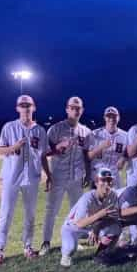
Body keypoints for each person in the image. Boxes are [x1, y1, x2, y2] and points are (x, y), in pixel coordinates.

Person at [0, 95, 52, 265]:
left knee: (30, 214)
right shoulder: (9, 127)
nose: (25, 107)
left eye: (28, 104)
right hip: (11, 176)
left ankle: (27, 246)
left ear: (34, 107)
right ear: (17, 108)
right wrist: (14, 148)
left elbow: (42, 156)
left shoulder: (40, 130)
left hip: (32, 177)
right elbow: (0, 150)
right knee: (6, 213)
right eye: (22, 105)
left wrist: (48, 175)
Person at [40, 96, 92, 255]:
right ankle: (46, 242)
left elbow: (86, 155)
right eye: (73, 107)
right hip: (58, 176)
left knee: (77, 210)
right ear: (67, 109)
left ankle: (74, 239)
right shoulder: (55, 129)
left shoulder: (86, 131)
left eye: (78, 108)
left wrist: (88, 174)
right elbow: (44, 153)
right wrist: (57, 148)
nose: (76, 110)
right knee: (52, 209)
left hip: (76, 176)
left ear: (82, 110)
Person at [60, 168, 121, 267]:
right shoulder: (87, 198)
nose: (106, 183)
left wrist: (97, 227)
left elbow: (113, 218)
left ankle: (101, 254)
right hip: (72, 227)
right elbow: (79, 223)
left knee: (116, 227)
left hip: (92, 226)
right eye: (103, 180)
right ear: (96, 182)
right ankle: (65, 254)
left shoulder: (113, 196)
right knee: (70, 248)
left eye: (109, 180)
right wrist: (99, 215)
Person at [88, 106, 128, 188]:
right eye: (109, 116)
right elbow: (88, 156)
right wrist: (101, 147)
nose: (111, 119)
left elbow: (129, 151)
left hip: (115, 175)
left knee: (115, 200)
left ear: (118, 118)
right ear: (104, 118)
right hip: (98, 174)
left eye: (114, 116)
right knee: (96, 200)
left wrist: (124, 158)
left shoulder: (125, 136)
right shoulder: (95, 134)